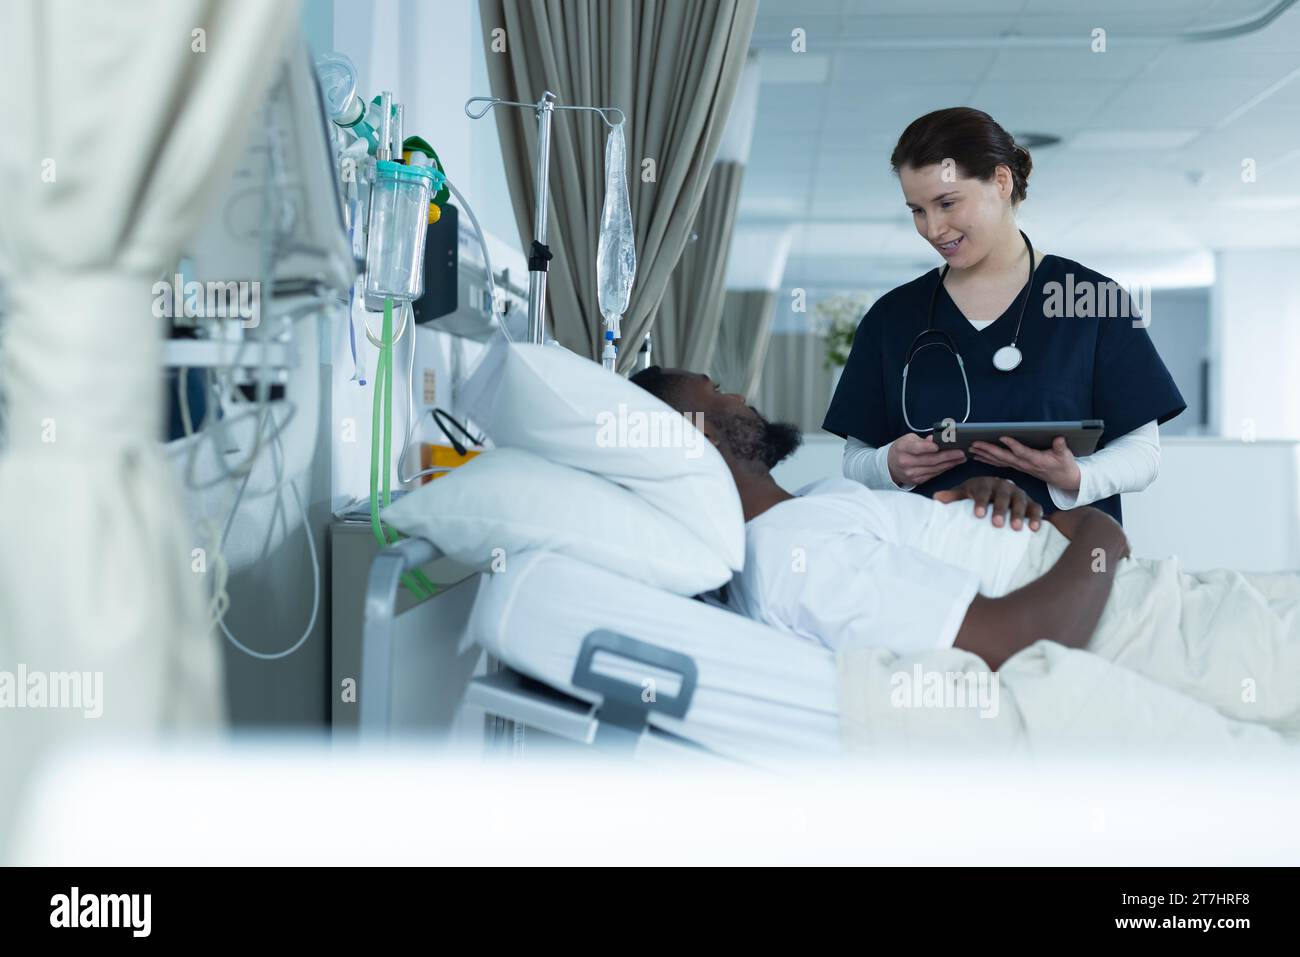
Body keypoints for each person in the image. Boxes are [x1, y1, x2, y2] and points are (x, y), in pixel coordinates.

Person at [630, 366, 1300, 732]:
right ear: (697, 436)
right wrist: (1098, 532)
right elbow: (1017, 640)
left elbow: (967, 576)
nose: (740, 394)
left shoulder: (806, 510)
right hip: (1153, 629)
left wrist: (1001, 505)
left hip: (1168, 602)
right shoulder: (786, 552)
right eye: (716, 391)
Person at [823, 107, 1186, 524]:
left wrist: (1076, 475)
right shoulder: (893, 316)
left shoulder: (1091, 299)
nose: (933, 228)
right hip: (931, 567)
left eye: (946, 203)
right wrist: (888, 465)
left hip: (1062, 562)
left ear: (1000, 181)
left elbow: (1144, 454)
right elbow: (855, 457)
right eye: (917, 211)